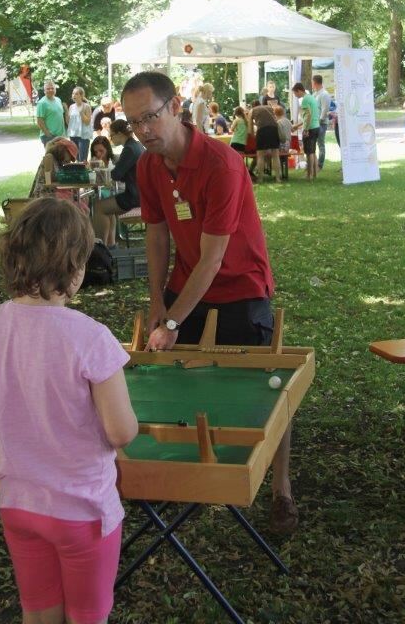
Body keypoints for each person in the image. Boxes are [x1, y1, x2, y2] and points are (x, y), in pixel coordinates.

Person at [122, 70, 298, 534]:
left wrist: (172, 322)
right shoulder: (148, 165)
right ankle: (188, 473)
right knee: (177, 383)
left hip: (241, 285)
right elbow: (157, 236)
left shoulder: (223, 163)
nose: (143, 131)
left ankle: (281, 490)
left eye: (150, 117)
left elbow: (214, 258)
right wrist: (158, 300)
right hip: (187, 285)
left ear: (176, 106)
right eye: (133, 123)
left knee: (268, 388)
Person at [0, 198, 138, 624]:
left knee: (38, 614)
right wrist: (131, 422)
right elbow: (119, 432)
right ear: (76, 269)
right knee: (87, 617)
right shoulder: (91, 336)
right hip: (83, 512)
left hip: (19, 505)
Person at [92, 119, 145, 248]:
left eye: (112, 135)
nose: (111, 138)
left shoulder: (129, 149)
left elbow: (116, 174)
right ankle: (111, 245)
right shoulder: (136, 145)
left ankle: (101, 248)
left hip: (134, 196)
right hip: (139, 192)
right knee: (107, 208)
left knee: (98, 207)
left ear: (120, 134)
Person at [291, 82, 320, 181]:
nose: (295, 96)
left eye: (295, 93)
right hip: (316, 127)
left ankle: (309, 175)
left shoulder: (305, 100)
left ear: (299, 91)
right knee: (313, 151)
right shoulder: (311, 97)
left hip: (310, 128)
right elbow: (307, 117)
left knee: (308, 152)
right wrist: (297, 126)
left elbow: (308, 115)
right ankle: (315, 173)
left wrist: (306, 129)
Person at [250, 103, 282, 183]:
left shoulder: (252, 111)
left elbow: (250, 129)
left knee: (260, 155)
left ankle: (260, 178)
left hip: (262, 131)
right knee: (275, 155)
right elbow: (275, 118)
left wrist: (254, 135)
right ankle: (278, 178)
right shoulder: (269, 107)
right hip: (273, 129)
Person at [36, 80, 65, 147]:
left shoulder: (58, 100)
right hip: (49, 136)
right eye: (48, 89)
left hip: (60, 135)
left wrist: (63, 133)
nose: (50, 90)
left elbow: (61, 116)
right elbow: (39, 121)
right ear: (44, 91)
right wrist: (48, 135)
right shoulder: (42, 103)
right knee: (51, 157)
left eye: (52, 88)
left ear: (55, 90)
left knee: (60, 156)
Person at [67, 86, 92, 162]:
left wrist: (81, 112)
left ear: (81, 95)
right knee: (75, 158)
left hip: (83, 136)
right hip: (73, 135)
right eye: (73, 93)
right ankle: (77, 173)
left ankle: (84, 173)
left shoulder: (86, 106)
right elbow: (69, 122)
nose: (74, 95)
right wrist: (65, 110)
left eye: (76, 94)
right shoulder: (71, 107)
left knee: (83, 159)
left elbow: (87, 122)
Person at [311, 75, 331, 170]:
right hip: (314, 123)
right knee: (313, 143)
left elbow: (325, 110)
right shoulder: (315, 94)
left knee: (320, 143)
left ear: (315, 83)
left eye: (312, 82)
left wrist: (319, 121)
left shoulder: (324, 94)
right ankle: (313, 163)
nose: (312, 84)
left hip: (321, 123)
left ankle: (320, 164)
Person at [273, 105, 292, 180]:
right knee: (284, 158)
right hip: (288, 142)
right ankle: (284, 173)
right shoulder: (287, 120)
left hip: (281, 142)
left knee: (279, 158)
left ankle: (280, 174)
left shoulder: (278, 122)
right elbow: (292, 129)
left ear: (275, 113)